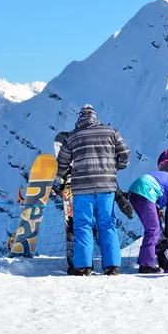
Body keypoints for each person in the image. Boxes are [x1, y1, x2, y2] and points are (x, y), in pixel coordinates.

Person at [56, 104, 130, 276]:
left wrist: (64, 174)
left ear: (79, 117)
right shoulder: (111, 132)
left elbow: (62, 164)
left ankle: (83, 267)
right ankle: (112, 267)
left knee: (83, 226)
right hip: (107, 187)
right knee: (107, 224)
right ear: (95, 117)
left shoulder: (72, 137)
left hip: (82, 189)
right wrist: (114, 167)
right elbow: (125, 153)